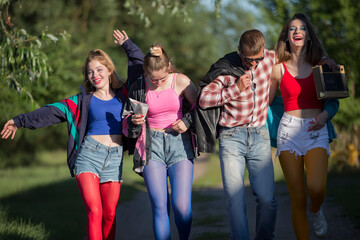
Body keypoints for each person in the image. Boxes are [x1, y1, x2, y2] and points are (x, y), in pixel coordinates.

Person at [0, 34, 144, 240]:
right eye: (90, 71)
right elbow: (50, 112)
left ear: (110, 70)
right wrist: (19, 120)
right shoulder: (82, 100)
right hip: (88, 157)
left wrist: (127, 45)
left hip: (114, 157)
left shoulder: (124, 94)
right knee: (94, 211)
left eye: (99, 69)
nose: (95, 74)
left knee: (110, 215)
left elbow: (139, 66)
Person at [197, 29, 278, 240]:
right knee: (235, 199)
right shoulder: (226, 68)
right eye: (247, 59)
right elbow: (203, 99)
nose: (252, 64)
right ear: (239, 51)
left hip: (259, 135)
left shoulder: (270, 58)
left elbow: (299, 55)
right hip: (231, 137)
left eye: (257, 59)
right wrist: (235, 90)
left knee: (267, 199)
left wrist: (325, 59)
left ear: (264, 51)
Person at [118, 34, 197, 240]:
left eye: (162, 77)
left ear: (169, 66)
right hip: (150, 145)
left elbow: (201, 108)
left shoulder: (181, 81)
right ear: (145, 71)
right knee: (159, 206)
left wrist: (186, 121)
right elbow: (125, 119)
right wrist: (133, 121)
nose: (159, 82)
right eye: (154, 79)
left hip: (180, 144)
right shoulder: (139, 86)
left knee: (181, 206)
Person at [269, 13, 339, 239]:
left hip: (316, 129)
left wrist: (325, 116)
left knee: (316, 187)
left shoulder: (323, 65)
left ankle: (316, 210)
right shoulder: (277, 69)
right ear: (286, 36)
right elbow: (266, 103)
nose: (297, 32)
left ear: (309, 36)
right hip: (288, 131)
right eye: (292, 29)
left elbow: (334, 100)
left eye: (302, 28)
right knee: (297, 197)